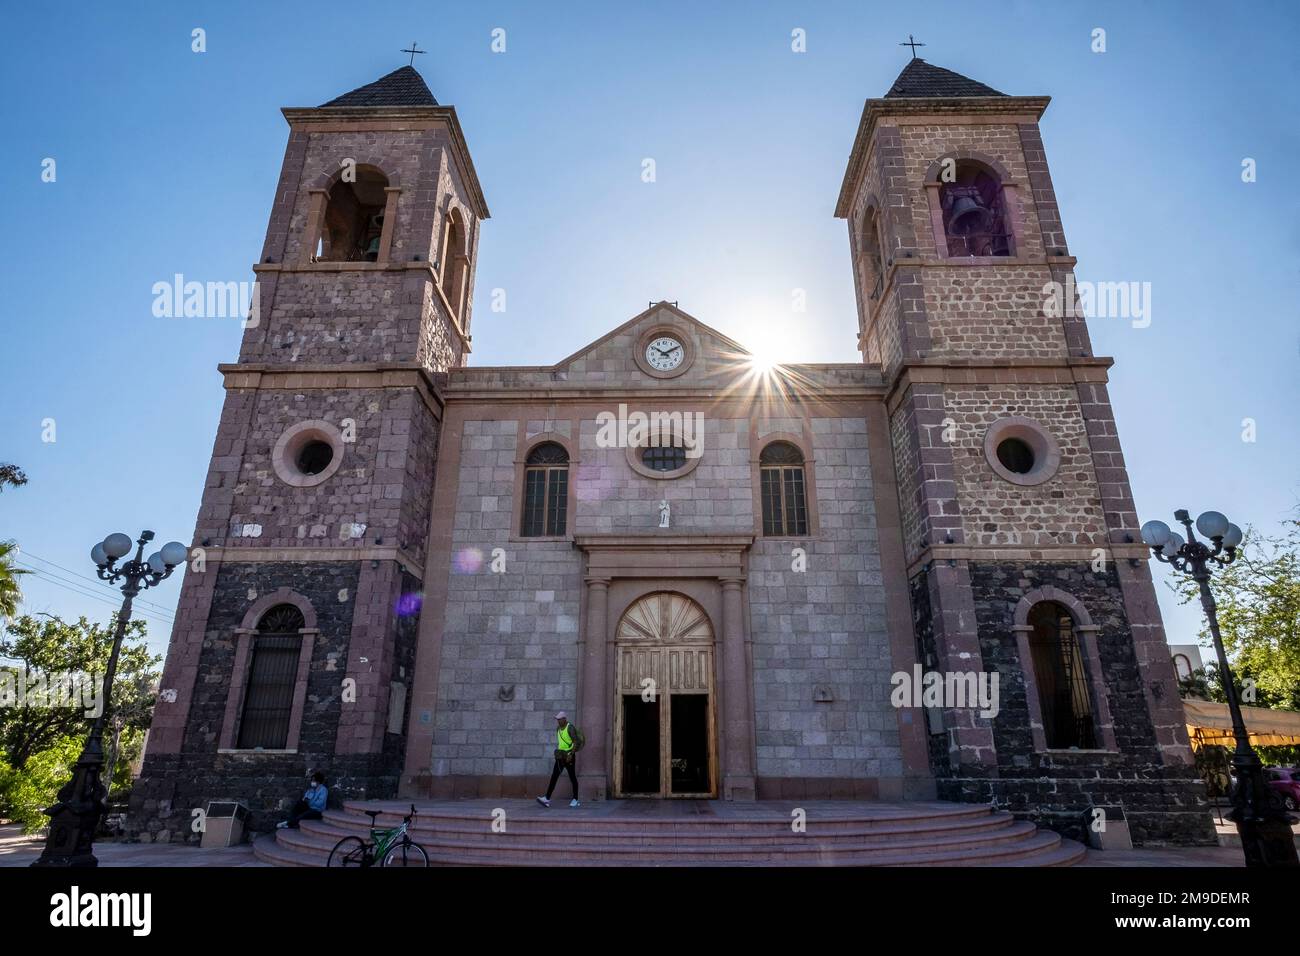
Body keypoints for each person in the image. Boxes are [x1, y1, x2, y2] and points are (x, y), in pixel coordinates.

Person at [537, 711, 582, 808]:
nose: (558, 721)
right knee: (554, 776)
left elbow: (576, 742)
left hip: (569, 757)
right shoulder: (558, 728)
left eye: (559, 719)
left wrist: (571, 754)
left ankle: (575, 799)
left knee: (572, 777)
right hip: (560, 756)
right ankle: (547, 798)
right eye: (557, 719)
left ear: (564, 719)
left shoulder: (570, 728)